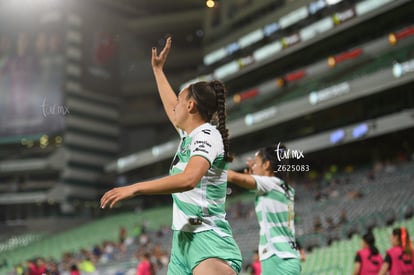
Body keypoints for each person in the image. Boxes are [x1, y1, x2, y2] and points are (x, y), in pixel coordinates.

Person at [100, 36, 242, 275]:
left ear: (190, 106)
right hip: (182, 243)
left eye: (180, 100)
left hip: (208, 240)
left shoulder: (208, 135)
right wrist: (157, 71)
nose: (174, 104)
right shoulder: (188, 137)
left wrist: (135, 188)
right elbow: (170, 105)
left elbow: (189, 179)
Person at [227, 145, 301, 275]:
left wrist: (206, 165)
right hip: (287, 257)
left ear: (266, 165)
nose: (253, 167)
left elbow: (231, 176)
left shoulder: (269, 183)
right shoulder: (285, 188)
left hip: (277, 258)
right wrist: (254, 176)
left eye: (256, 163)